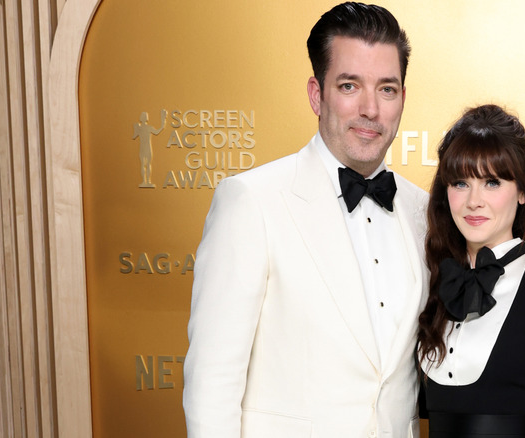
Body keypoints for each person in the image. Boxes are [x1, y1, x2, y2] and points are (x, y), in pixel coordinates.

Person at [183, 3, 429, 437]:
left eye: (387, 89)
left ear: (402, 99)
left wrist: (516, 404)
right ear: (317, 94)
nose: (370, 109)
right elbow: (212, 381)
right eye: (350, 85)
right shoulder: (251, 201)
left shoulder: (424, 212)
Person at [417, 105, 525, 437]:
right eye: (460, 183)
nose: (474, 201)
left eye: (492, 182)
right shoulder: (434, 280)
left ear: (524, 191)